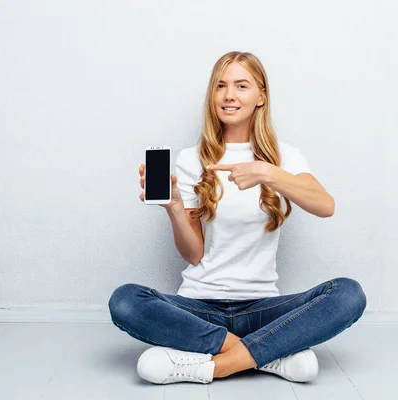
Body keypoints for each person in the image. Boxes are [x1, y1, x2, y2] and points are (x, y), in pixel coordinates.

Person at [108, 51, 367, 385]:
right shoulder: (192, 159)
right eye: (221, 86)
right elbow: (194, 254)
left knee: (349, 294)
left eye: (241, 86)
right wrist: (173, 207)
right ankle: (267, 354)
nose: (229, 95)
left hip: (262, 308)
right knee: (125, 301)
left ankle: (214, 365)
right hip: (198, 307)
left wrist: (266, 172)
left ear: (261, 97)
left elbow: (325, 205)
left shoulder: (283, 157)